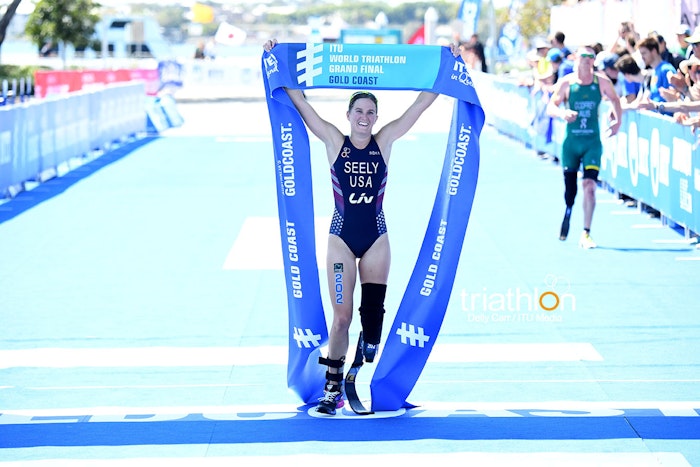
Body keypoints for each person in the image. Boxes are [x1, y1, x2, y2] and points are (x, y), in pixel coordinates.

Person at [263, 38, 458, 415]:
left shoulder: (385, 141)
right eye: (359, 111)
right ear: (349, 114)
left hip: (376, 239)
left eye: (371, 112)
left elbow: (420, 104)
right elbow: (301, 102)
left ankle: (368, 348)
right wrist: (276, 59)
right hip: (341, 238)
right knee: (341, 318)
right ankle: (332, 388)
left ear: (376, 117)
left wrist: (446, 64)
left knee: (371, 324)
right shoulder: (333, 140)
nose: (365, 117)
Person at [547, 46, 623, 249]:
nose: (587, 60)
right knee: (570, 191)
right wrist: (562, 114)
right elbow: (551, 106)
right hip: (571, 144)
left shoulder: (601, 82)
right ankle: (569, 208)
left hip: (592, 143)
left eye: (591, 57)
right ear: (575, 59)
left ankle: (586, 232)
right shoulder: (567, 83)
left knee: (589, 187)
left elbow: (615, 99)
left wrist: (617, 120)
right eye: (583, 57)